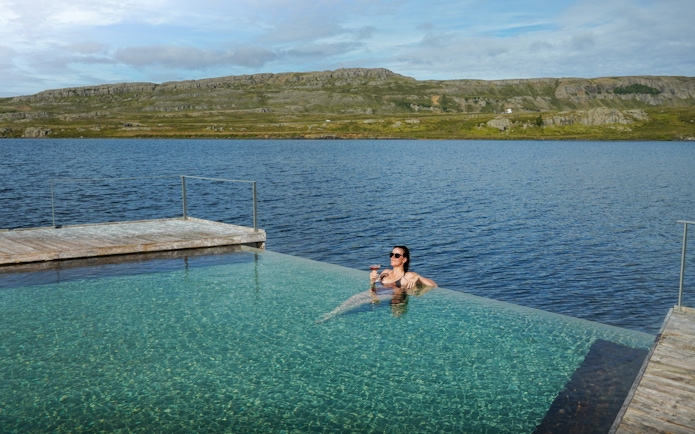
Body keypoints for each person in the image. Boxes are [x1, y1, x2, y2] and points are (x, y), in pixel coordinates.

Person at [371, 246, 437, 292]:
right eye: (391, 254)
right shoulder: (386, 272)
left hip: (388, 298)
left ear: (404, 260)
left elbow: (434, 286)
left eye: (397, 255)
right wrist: (373, 280)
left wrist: (419, 277)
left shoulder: (407, 276)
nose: (392, 257)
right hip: (374, 296)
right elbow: (374, 287)